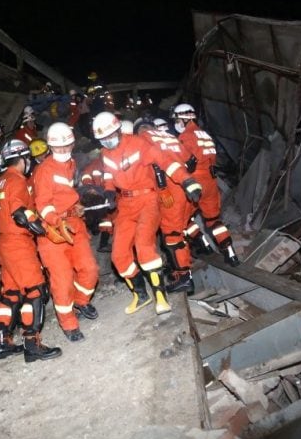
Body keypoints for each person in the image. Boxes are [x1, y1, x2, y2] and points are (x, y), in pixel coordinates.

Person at [92, 111, 202, 315]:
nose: (107, 142)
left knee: (144, 246)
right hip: (125, 204)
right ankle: (141, 295)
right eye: (102, 139)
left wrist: (187, 181)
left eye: (110, 136)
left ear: (118, 130)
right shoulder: (105, 153)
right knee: (119, 255)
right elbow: (108, 175)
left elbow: (166, 161)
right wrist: (108, 191)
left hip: (147, 200)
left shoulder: (138, 143)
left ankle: (161, 297)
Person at [0, 139, 62, 362]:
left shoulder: (1, 182)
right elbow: (20, 212)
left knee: (11, 294)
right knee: (36, 291)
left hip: (3, 243)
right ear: (22, 159)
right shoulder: (17, 180)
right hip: (18, 243)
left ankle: (1, 342)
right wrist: (42, 228)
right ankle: (32, 344)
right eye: (28, 159)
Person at [32, 122, 100, 342]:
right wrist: (56, 220)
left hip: (74, 223)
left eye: (66, 146)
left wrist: (77, 205)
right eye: (58, 147)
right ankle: (68, 323)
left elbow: (67, 193)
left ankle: (81, 301)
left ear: (71, 143)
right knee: (62, 280)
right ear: (50, 147)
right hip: (53, 232)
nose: (62, 150)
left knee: (89, 269)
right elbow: (43, 203)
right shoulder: (44, 170)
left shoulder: (71, 164)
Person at [172, 103, 239, 266]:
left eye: (177, 119)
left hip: (194, 182)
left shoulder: (185, 137)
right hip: (210, 181)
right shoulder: (205, 135)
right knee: (214, 220)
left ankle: (202, 244)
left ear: (183, 118)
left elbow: (185, 163)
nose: (176, 123)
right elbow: (213, 159)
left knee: (181, 219)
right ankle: (231, 254)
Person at [134, 120, 196, 293]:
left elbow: (156, 164)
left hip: (169, 189)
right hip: (185, 186)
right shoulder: (169, 137)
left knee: (172, 235)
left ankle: (184, 277)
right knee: (180, 231)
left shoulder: (144, 138)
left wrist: (162, 188)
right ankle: (179, 270)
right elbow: (191, 160)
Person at [79, 149, 114, 253]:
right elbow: (86, 177)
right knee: (103, 216)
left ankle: (102, 240)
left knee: (107, 218)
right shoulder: (96, 164)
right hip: (95, 196)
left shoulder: (111, 163)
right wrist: (91, 189)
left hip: (106, 194)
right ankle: (95, 228)